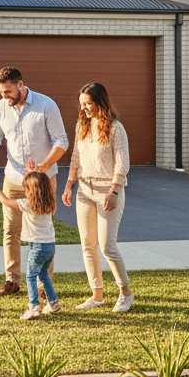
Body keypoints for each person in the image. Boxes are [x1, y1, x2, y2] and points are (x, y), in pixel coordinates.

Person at [0, 66, 68, 297]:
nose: (4, 97)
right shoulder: (0, 108)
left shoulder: (46, 105)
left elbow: (61, 141)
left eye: (7, 92)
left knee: (43, 232)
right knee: (10, 230)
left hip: (42, 180)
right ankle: (11, 280)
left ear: (21, 85)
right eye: (1, 93)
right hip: (13, 178)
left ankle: (46, 284)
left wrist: (43, 167)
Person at [61, 82, 134, 313]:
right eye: (82, 104)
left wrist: (114, 191)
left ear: (100, 102)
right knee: (87, 245)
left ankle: (125, 293)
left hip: (107, 191)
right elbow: (76, 157)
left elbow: (122, 163)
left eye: (89, 103)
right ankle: (97, 296)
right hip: (84, 190)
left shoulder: (115, 128)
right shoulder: (81, 125)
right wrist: (69, 184)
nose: (84, 108)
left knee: (107, 246)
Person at [0, 163, 60, 320]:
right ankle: (53, 303)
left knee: (31, 276)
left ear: (30, 191)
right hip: (50, 246)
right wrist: (31, 173)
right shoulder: (50, 203)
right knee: (44, 275)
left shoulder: (28, 204)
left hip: (37, 247)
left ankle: (33, 307)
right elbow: (40, 184)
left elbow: (6, 201)